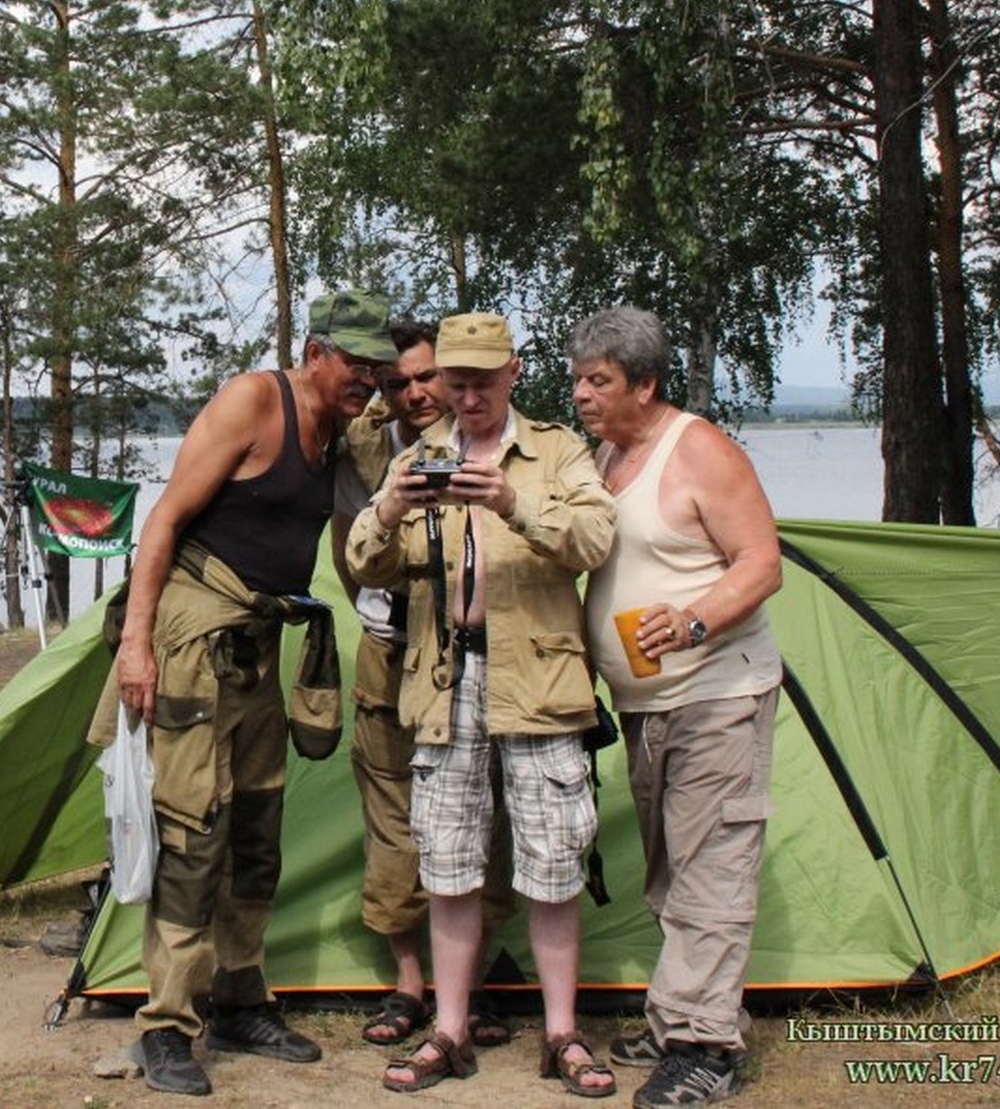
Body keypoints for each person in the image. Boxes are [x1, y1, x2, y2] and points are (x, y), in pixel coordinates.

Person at [91, 289, 397, 1098]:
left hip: (259, 643)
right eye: (357, 363)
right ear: (316, 352)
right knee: (194, 835)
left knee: (258, 829)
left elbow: (355, 551)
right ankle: (165, 1025)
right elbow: (163, 522)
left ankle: (239, 999)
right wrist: (135, 645)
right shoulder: (252, 400)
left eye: (380, 366)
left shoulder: (345, 434)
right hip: (192, 643)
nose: (370, 377)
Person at [346, 311, 618, 1097]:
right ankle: (451, 1030)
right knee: (450, 864)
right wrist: (391, 507)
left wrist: (511, 503)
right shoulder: (421, 456)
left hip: (538, 682)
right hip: (445, 682)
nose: (464, 398)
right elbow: (365, 564)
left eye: (478, 382)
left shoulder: (557, 451)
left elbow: (596, 538)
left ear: (513, 373)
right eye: (452, 383)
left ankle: (562, 1033)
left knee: (553, 862)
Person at [568, 306, 783, 1108]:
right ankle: (677, 1017)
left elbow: (762, 562)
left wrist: (694, 620)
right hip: (646, 705)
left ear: (646, 383)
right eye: (579, 378)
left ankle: (705, 1050)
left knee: (712, 868)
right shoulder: (609, 454)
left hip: (717, 692)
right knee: (671, 867)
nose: (583, 394)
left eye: (600, 380)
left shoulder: (701, 449)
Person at [330, 319, 515, 1050]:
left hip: (473, 650)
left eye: (428, 376)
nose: (415, 392)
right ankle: (410, 981)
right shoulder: (363, 444)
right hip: (390, 647)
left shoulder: (499, 441)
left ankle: (475, 980)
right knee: (395, 819)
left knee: (484, 812)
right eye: (398, 382)